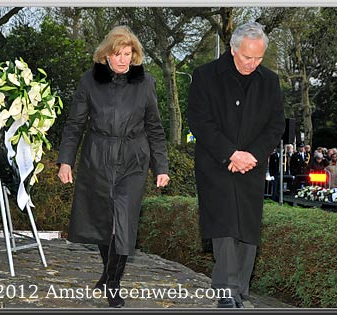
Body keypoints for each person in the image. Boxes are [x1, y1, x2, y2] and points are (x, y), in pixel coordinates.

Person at [56, 25, 170, 308]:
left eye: (127, 54)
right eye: (116, 53)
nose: (122, 59)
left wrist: (162, 167)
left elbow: (155, 128)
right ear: (105, 55)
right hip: (98, 158)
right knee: (104, 223)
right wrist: (65, 161)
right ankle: (109, 273)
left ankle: (113, 281)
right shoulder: (88, 82)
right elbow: (74, 125)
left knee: (124, 224)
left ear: (135, 55)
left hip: (133, 159)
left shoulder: (146, 84)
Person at [188, 22, 285, 308]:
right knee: (225, 226)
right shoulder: (205, 76)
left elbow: (275, 124)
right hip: (217, 163)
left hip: (251, 165)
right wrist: (231, 154)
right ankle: (226, 290)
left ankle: (240, 288)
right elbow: (199, 121)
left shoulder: (270, 80)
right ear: (232, 50)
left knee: (247, 228)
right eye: (247, 57)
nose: (252, 64)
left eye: (258, 58)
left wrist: (252, 155)